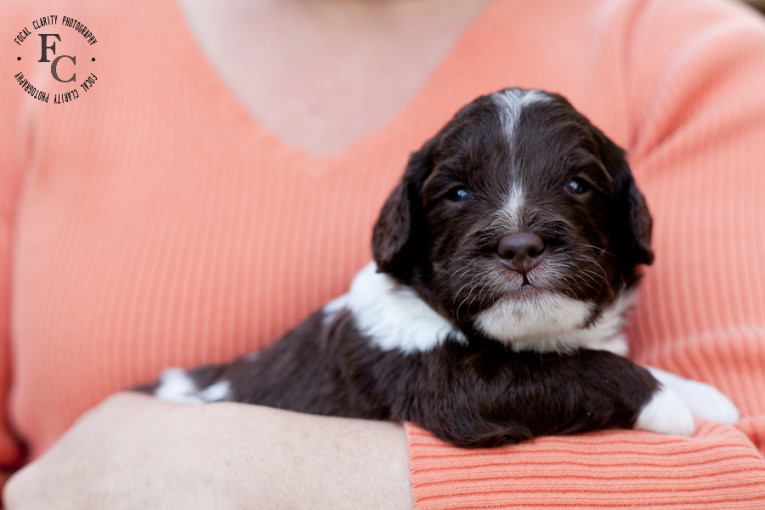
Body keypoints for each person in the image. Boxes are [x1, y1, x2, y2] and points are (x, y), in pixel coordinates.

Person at [2, 0, 765, 507]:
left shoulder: (689, 56)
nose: (520, 235)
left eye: (573, 185)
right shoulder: (36, 46)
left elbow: (743, 477)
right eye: (459, 196)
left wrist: (214, 472)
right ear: (402, 235)